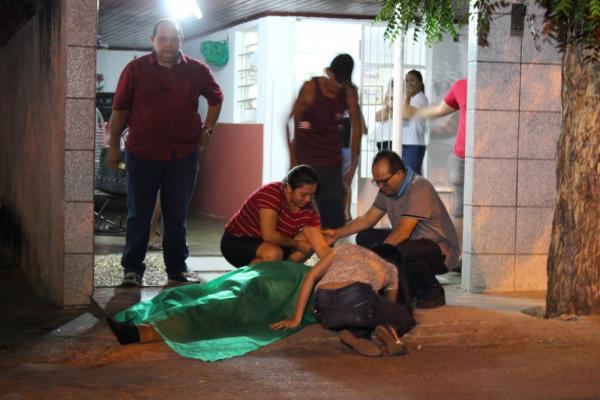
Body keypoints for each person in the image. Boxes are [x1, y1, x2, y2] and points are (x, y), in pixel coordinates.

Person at [106, 244, 414, 361]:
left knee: (218, 297)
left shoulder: (344, 251)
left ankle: (143, 325)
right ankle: (145, 332)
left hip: (279, 275)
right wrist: (295, 317)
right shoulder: (383, 272)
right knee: (225, 313)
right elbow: (377, 304)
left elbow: (311, 274)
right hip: (292, 296)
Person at [106, 18, 223, 287]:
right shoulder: (135, 70)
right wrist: (114, 147)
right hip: (142, 153)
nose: (168, 44)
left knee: (176, 215)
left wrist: (208, 130)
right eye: (163, 39)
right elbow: (120, 111)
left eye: (174, 38)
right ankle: (132, 270)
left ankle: (177, 269)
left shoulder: (197, 70)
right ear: (152, 40)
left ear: (181, 39)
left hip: (183, 154)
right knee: (139, 213)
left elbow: (216, 98)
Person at [325, 150, 460, 309]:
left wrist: (372, 262)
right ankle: (405, 287)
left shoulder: (419, 187)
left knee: (403, 251)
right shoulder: (387, 189)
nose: (380, 186)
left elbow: (403, 232)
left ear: (399, 173)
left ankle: (432, 293)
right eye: (377, 182)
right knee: (365, 237)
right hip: (411, 242)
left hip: (440, 251)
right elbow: (368, 219)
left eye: (383, 181)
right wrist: (337, 233)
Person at [270, 243, 415, 357]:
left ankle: (354, 337)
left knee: (360, 314)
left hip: (324, 307)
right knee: (401, 316)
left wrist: (296, 318)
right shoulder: (390, 268)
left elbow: (311, 276)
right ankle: (388, 333)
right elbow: (390, 307)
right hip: (357, 296)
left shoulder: (345, 248)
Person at [287, 54, 362, 230]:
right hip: (306, 158)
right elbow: (292, 122)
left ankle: (327, 253)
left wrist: (353, 164)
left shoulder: (349, 93)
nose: (338, 87)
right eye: (336, 81)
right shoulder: (310, 87)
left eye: (342, 83)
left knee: (334, 221)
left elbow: (357, 128)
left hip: (331, 162)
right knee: (298, 212)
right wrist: (293, 159)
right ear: (328, 72)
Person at [220, 165, 332, 268]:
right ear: (288, 188)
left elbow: (321, 248)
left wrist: (341, 267)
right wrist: (296, 244)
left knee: (308, 241)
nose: (308, 199)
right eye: (303, 194)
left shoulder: (308, 210)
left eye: (312, 195)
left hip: (273, 245)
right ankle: (247, 280)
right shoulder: (272, 193)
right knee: (273, 253)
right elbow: (269, 235)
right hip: (237, 241)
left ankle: (281, 273)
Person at [413, 78, 466, 218]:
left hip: (489, 157)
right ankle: (460, 238)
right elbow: (440, 110)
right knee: (460, 210)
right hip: (461, 156)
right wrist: (414, 113)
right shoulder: (461, 86)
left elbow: (445, 126)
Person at [400, 70, 429, 175]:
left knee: (412, 179)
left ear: (420, 83)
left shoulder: (420, 98)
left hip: (414, 144)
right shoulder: (411, 99)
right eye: (407, 81)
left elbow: (405, 115)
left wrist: (407, 96)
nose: (409, 83)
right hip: (407, 143)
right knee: (408, 178)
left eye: (412, 80)